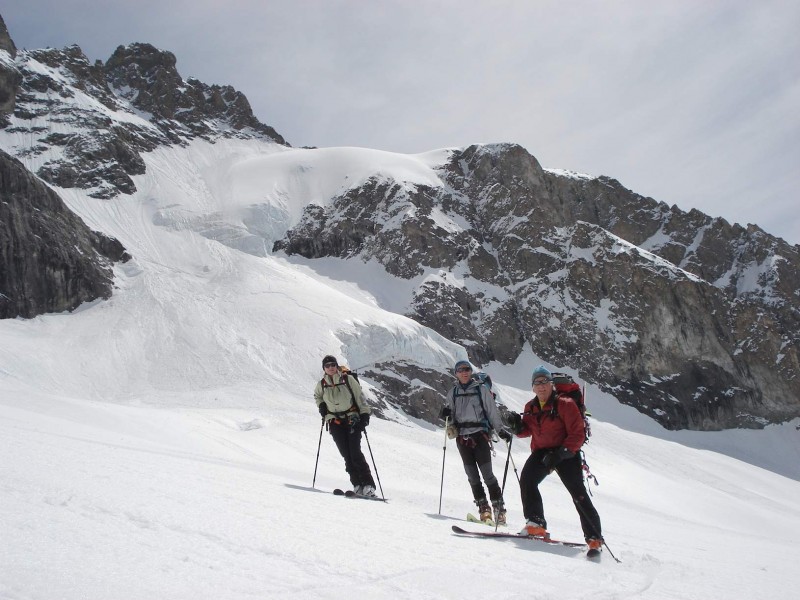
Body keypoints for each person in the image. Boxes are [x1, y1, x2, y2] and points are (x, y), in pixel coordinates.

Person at [506, 365, 603, 553]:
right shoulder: (530, 407)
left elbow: (578, 434)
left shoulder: (565, 404)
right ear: (533, 387)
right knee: (527, 480)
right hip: (542, 451)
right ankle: (536, 523)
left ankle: (594, 538)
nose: (541, 386)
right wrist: (517, 427)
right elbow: (528, 430)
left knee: (578, 494)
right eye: (537, 383)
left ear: (552, 385)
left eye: (544, 382)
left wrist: (560, 454)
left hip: (566, 452)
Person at [441, 360, 512, 525]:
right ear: (456, 373)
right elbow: (449, 417)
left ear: (470, 372)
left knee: (487, 475)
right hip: (462, 438)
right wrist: (444, 414)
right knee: (472, 476)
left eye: (467, 369)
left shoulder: (481, 389)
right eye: (461, 370)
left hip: (480, 436)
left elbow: (491, 410)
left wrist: (500, 430)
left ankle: (499, 510)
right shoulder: (452, 393)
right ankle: (484, 509)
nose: (464, 372)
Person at [314, 355, 376, 497]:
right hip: (335, 422)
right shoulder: (322, 384)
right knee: (346, 455)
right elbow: (317, 396)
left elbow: (360, 396)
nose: (331, 368)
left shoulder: (348, 380)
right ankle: (357, 485)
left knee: (355, 453)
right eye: (327, 365)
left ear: (337, 366)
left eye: (333, 365)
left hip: (352, 419)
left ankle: (368, 485)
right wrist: (322, 406)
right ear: (324, 368)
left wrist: (365, 415)